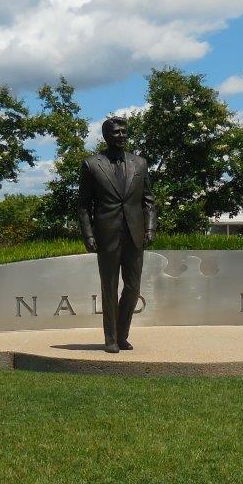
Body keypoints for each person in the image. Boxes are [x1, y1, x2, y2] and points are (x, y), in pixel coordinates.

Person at [77, 116, 156, 353]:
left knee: (133, 288)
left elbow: (149, 201)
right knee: (109, 288)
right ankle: (110, 339)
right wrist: (88, 235)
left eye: (124, 132)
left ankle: (122, 335)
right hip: (106, 235)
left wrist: (150, 228)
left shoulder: (140, 163)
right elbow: (83, 205)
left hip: (135, 235)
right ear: (106, 136)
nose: (121, 136)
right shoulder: (92, 164)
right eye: (116, 132)